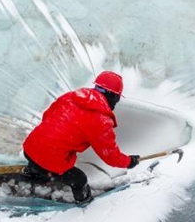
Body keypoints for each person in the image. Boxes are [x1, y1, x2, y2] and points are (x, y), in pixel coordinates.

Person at [22, 71, 140, 204]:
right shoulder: (101, 120)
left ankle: (33, 172)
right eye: (117, 99)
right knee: (80, 180)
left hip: (30, 147)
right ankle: (85, 203)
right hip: (50, 159)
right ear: (113, 96)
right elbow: (110, 156)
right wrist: (129, 162)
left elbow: (47, 116)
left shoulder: (70, 97)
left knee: (41, 159)